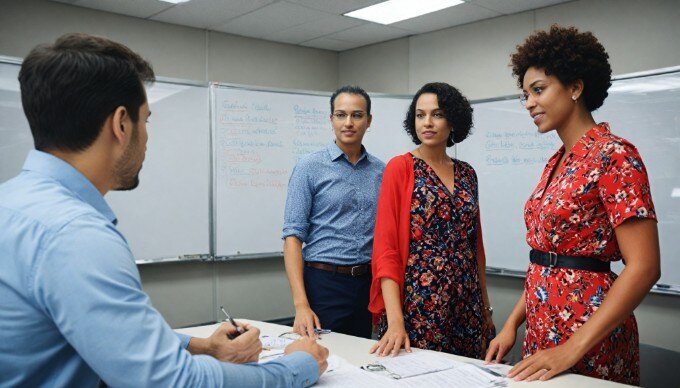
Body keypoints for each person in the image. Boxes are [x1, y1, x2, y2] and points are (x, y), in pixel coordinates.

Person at [0, 32, 328, 387]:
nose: (147, 135)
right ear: (121, 124)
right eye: (146, 120)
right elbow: (172, 382)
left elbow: (109, 332)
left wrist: (203, 346)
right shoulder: (76, 235)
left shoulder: (15, 203)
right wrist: (297, 365)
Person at [484, 25, 661, 385]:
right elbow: (546, 258)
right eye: (526, 94)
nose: (529, 102)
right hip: (541, 326)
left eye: (538, 90)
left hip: (589, 334)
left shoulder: (614, 156)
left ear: (576, 88)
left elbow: (644, 267)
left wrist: (572, 347)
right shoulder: (557, 161)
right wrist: (511, 324)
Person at [369, 82, 494, 359]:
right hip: (420, 303)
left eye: (437, 114)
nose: (427, 122)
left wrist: (485, 309)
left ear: (453, 120)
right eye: (420, 114)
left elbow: (476, 248)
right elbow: (386, 250)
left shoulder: (467, 173)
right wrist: (396, 320)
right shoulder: (400, 167)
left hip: (466, 302)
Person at [282, 85, 385, 339]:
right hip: (324, 282)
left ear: (368, 121)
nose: (348, 123)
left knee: (361, 359)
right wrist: (301, 305)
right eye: (341, 115)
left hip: (366, 283)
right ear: (331, 120)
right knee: (323, 362)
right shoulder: (309, 166)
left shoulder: (381, 171)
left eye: (357, 115)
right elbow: (292, 238)